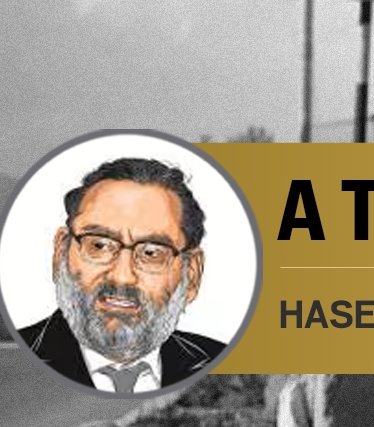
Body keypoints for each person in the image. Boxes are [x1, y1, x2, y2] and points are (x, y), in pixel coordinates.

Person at [18, 157, 225, 393]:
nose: (122, 277)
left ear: (192, 274)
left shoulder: (216, 361)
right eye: (99, 245)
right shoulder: (21, 353)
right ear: (60, 253)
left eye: (151, 252)